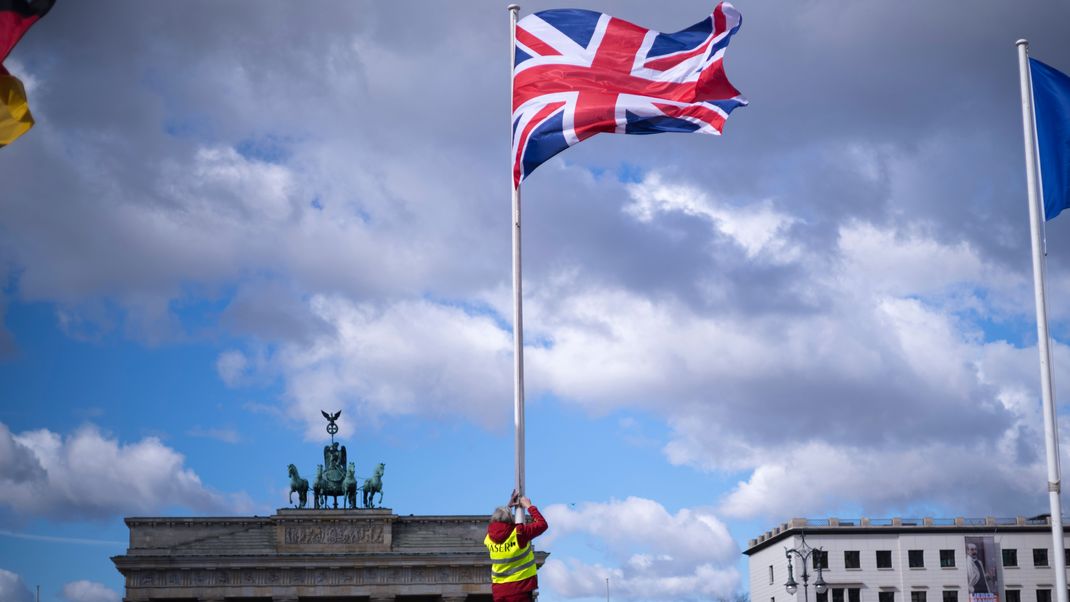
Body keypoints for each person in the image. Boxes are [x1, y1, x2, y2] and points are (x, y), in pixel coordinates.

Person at [485, 491, 549, 602]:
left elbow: (499, 525)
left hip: (499, 592)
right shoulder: (519, 533)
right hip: (520, 589)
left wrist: (508, 506)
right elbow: (542, 524)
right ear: (510, 519)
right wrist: (529, 506)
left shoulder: (489, 538)